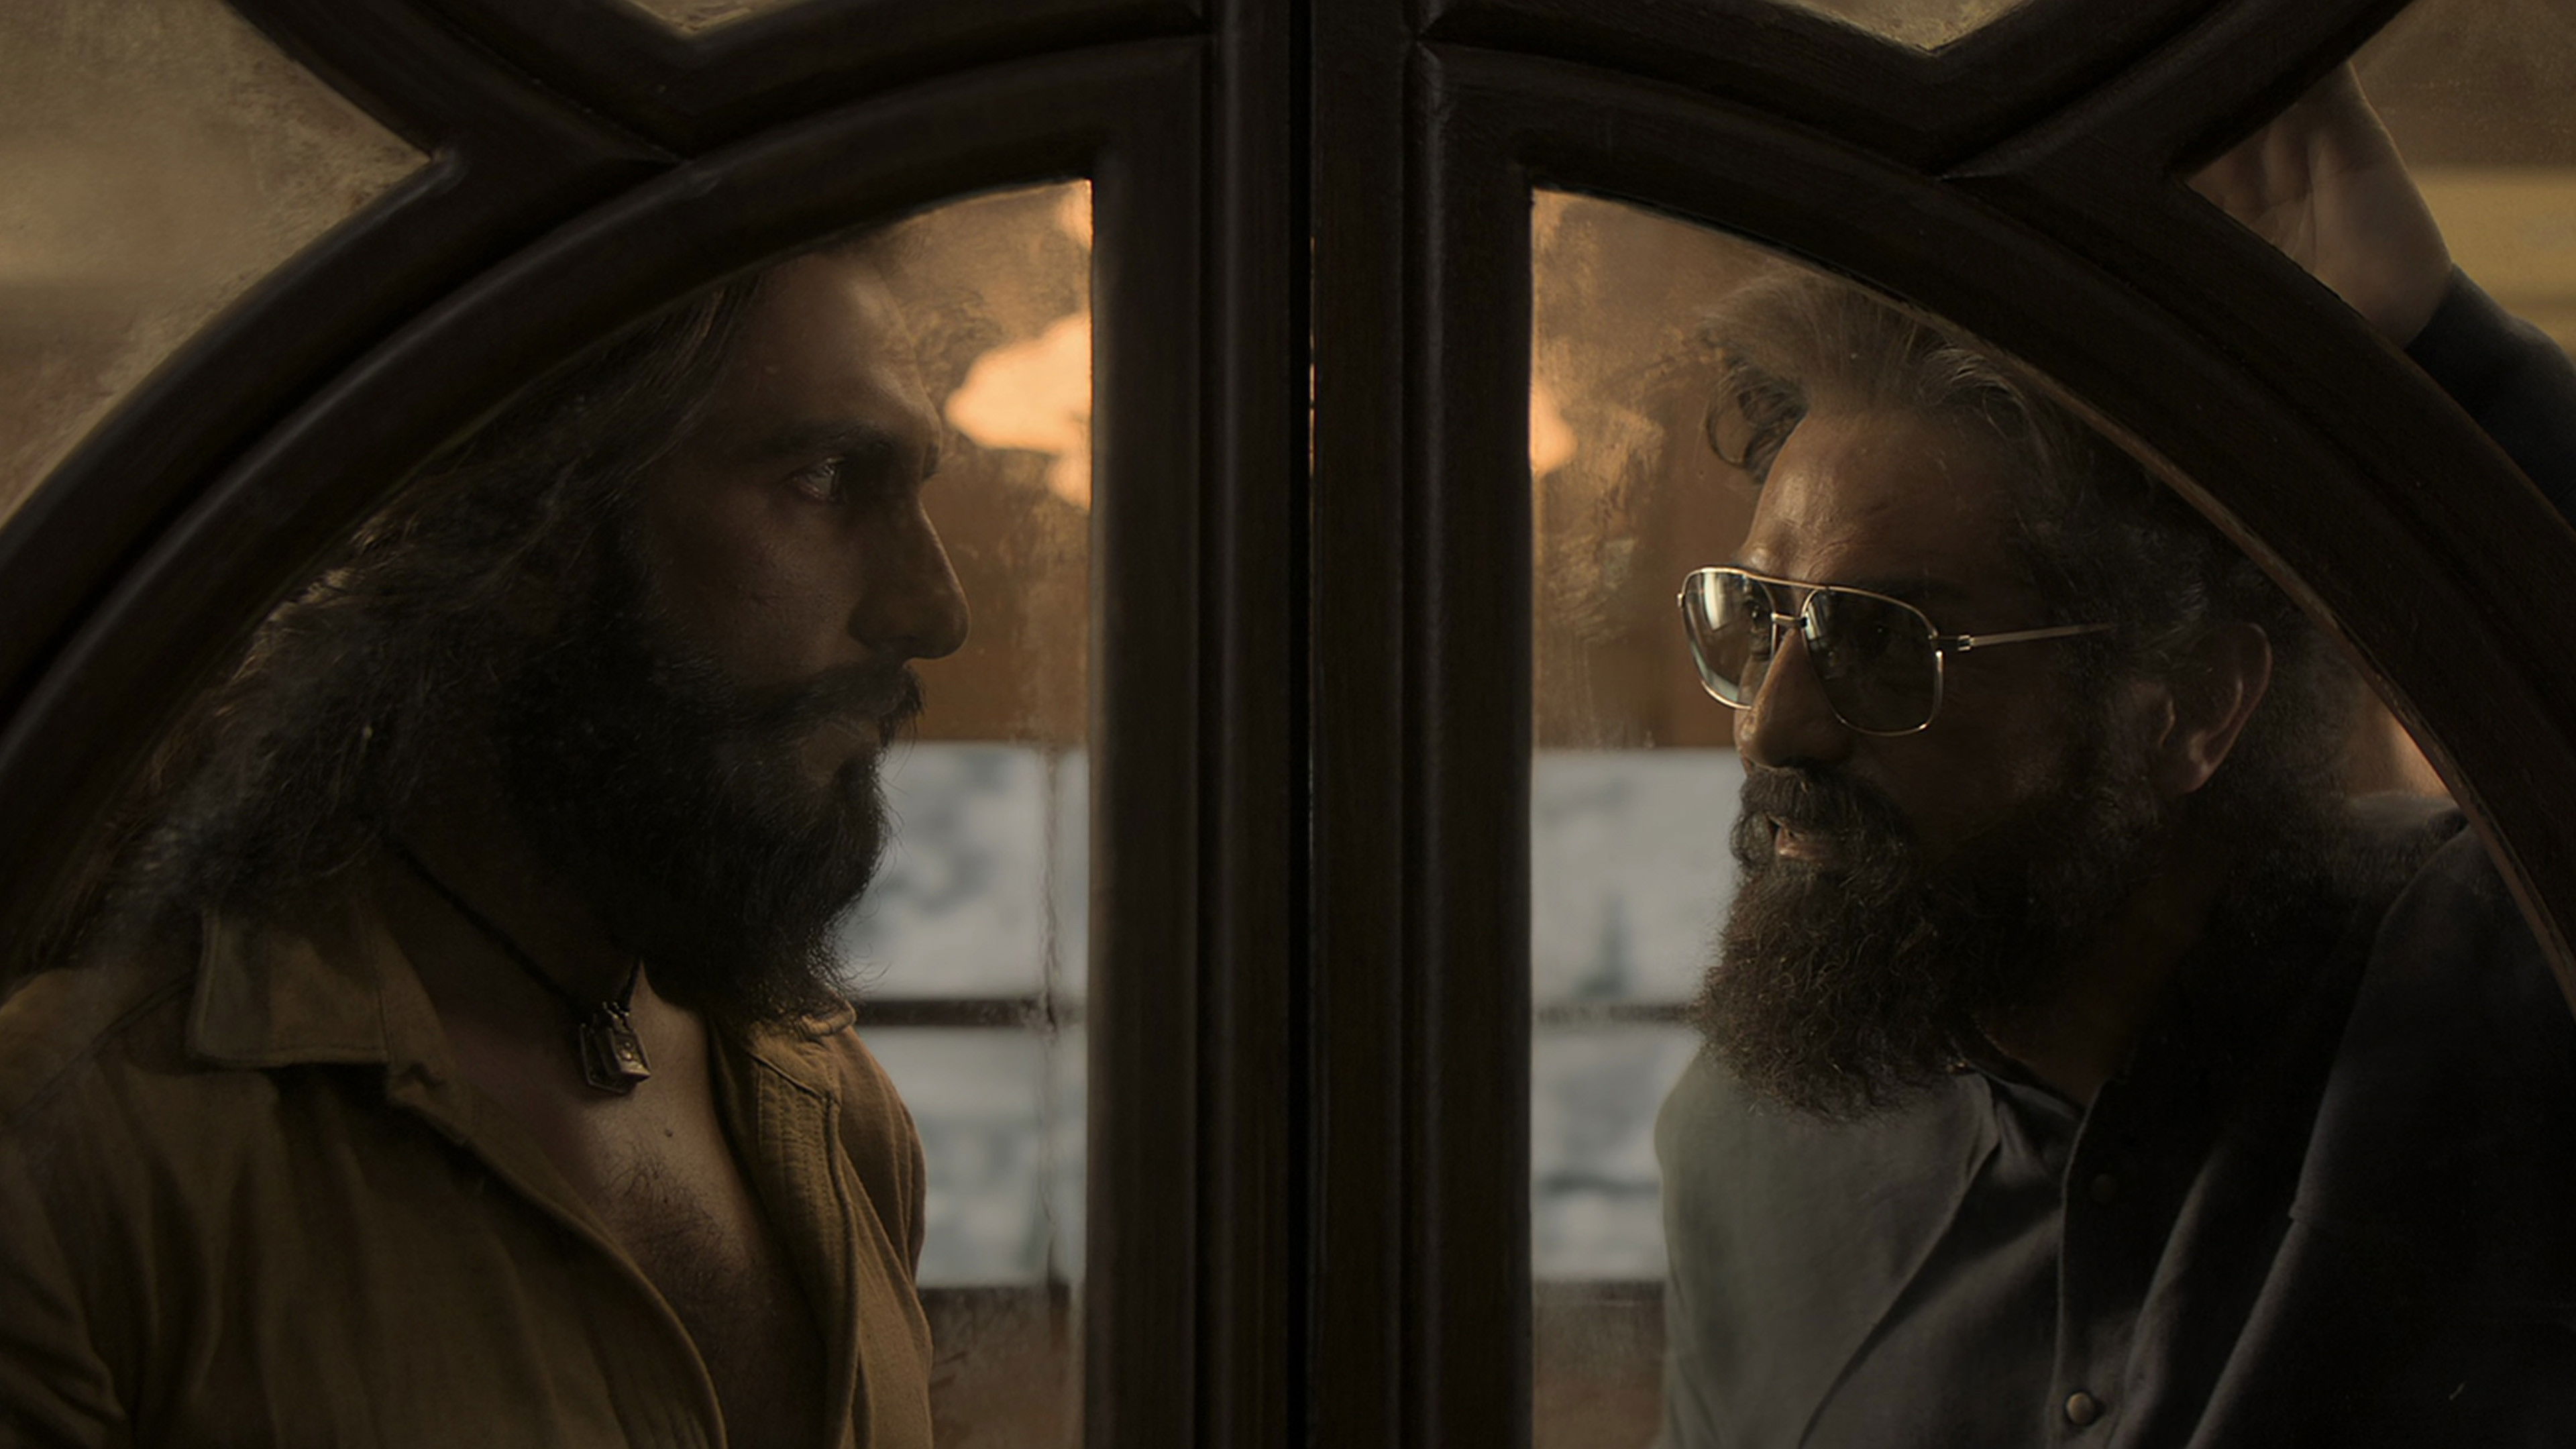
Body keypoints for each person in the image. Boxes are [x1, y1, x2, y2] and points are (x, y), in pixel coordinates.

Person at [1656, 72, 2576, 1446]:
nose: (1771, 724)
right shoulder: (1744, 1147)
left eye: (1883, 641)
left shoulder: (2482, 983)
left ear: (2190, 706)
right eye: (1755, 616)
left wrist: (2443, 366)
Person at [0, 237, 965, 1445]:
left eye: (917, 488)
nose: (936, 609)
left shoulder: (835, 1110)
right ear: (535, 525)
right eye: (822, 478)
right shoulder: (81, 1138)